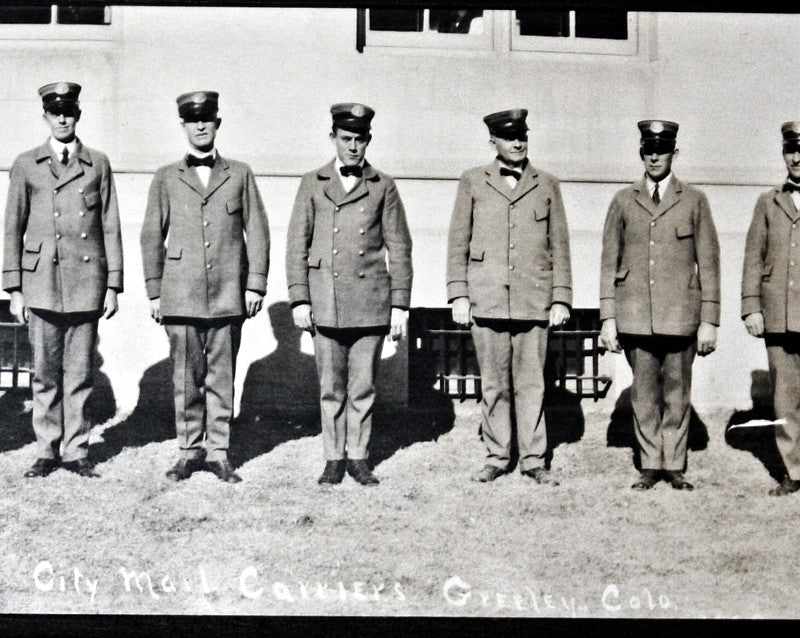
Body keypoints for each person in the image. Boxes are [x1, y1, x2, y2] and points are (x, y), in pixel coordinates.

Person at [140, 91, 270, 483]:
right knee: (185, 377)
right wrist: (154, 291)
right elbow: (150, 237)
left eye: (207, 119)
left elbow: (258, 232)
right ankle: (187, 450)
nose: (200, 126)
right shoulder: (166, 176)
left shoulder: (240, 173)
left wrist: (255, 286)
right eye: (192, 120)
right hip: (180, 296)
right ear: (183, 125)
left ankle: (218, 452)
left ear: (217, 123)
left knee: (221, 376)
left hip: (229, 295)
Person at [286, 103, 413, 486]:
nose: (353, 147)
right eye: (346, 139)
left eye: (360, 140)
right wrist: (300, 298)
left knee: (363, 386)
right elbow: (296, 245)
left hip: (370, 304)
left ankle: (358, 456)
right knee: (330, 388)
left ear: (368, 140)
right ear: (333, 139)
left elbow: (400, 247)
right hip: (325, 302)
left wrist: (400, 305)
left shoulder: (383, 185)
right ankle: (331, 457)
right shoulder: (312, 182)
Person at [2, 82, 123, 478]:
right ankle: (46, 449)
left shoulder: (97, 163)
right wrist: (14, 289)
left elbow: (110, 225)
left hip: (86, 281)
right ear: (45, 117)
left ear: (78, 115)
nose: (63, 118)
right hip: (40, 285)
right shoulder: (26, 163)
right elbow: (11, 229)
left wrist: (113, 285)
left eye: (69, 111)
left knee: (79, 373)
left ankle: (76, 450)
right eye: (55, 113)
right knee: (45, 373)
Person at [447, 108, 572, 485]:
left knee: (532, 383)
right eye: (508, 137)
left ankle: (534, 459)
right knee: (494, 384)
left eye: (522, 136)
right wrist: (459, 295)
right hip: (487, 300)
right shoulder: (472, 181)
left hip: (534, 300)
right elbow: (458, 242)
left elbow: (560, 246)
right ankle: (497, 455)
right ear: (493, 142)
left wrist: (562, 298)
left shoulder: (547, 184)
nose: (517, 143)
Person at [599, 120, 720, 491]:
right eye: (648, 150)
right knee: (645, 394)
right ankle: (650, 464)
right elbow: (608, 261)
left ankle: (674, 464)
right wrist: (608, 317)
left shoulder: (694, 200)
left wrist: (710, 320)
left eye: (662, 150)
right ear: (641, 153)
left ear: (674, 154)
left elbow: (710, 262)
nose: (654, 157)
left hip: (681, 316)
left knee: (677, 393)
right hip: (636, 317)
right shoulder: (623, 200)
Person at [742, 121, 800, 496]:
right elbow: (753, 257)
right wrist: (751, 308)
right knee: (786, 397)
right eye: (790, 150)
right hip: (779, 315)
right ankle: (794, 471)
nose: (797, 158)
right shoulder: (768, 202)